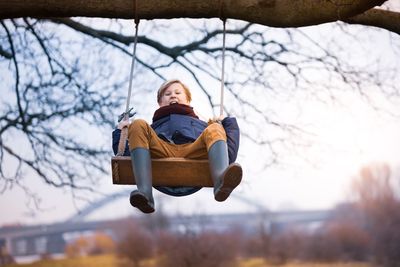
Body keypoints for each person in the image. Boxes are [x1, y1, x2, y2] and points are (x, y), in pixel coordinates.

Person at [112, 79, 242, 213]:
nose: (173, 95)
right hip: (162, 150)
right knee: (138, 123)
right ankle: (145, 194)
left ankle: (221, 184)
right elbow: (127, 157)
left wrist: (227, 124)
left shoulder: (204, 127)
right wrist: (119, 132)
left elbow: (229, 156)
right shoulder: (149, 130)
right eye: (167, 94)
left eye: (178, 92)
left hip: (194, 151)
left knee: (214, 127)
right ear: (160, 103)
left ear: (187, 100)